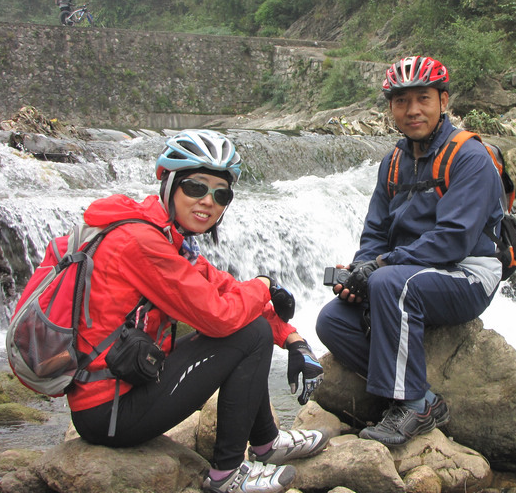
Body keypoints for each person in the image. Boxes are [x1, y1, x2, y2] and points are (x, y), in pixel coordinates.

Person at [67, 129, 327, 493]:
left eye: (221, 194)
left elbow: (225, 288)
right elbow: (221, 317)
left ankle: (266, 442)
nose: (208, 201)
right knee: (249, 333)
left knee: (250, 325)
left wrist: (293, 340)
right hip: (109, 413)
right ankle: (227, 474)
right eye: (195, 187)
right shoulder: (141, 242)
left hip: (127, 383)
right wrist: (264, 284)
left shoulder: (167, 237)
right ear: (170, 184)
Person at [315, 56, 504, 447]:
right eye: (402, 101)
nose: (413, 110)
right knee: (332, 321)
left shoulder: (469, 157)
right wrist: (361, 271)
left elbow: (453, 239)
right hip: (406, 274)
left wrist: (382, 266)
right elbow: (375, 232)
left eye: (423, 99)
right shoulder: (393, 163)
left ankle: (412, 405)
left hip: (467, 273)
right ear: (391, 108)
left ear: (443, 101)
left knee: (389, 283)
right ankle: (423, 394)